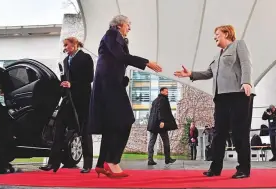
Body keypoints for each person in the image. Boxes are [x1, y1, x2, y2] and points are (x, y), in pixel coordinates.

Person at [174, 24, 254, 179]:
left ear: (226, 33)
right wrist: (190, 74)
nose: (214, 37)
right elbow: (208, 73)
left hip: (239, 93)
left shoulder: (239, 45)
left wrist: (247, 82)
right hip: (221, 97)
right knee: (218, 133)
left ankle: (243, 169)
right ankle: (215, 168)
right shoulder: (217, 56)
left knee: (239, 132)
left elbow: (246, 63)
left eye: (217, 34)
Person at [87, 15, 162, 178]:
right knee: (126, 120)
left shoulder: (115, 38)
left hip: (109, 85)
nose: (130, 28)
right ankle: (113, 161)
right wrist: (147, 62)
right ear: (120, 25)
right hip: (109, 87)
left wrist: (123, 79)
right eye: (128, 25)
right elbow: (120, 57)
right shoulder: (112, 34)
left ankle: (101, 164)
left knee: (111, 124)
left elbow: (114, 61)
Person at [39, 37, 94, 173]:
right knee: (58, 128)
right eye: (64, 45)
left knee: (84, 131)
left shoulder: (85, 58)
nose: (65, 48)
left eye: (66, 45)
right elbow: (65, 79)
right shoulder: (65, 61)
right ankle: (53, 163)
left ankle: (87, 164)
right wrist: (63, 85)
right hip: (68, 99)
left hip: (82, 100)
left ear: (74, 45)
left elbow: (89, 78)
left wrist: (72, 84)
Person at [147, 87, 177, 165]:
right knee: (166, 141)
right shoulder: (164, 100)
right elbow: (161, 111)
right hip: (160, 125)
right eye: (166, 92)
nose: (167, 93)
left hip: (153, 124)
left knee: (152, 142)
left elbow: (153, 113)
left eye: (168, 92)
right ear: (161, 92)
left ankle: (150, 160)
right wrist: (162, 121)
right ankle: (167, 159)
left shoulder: (154, 101)